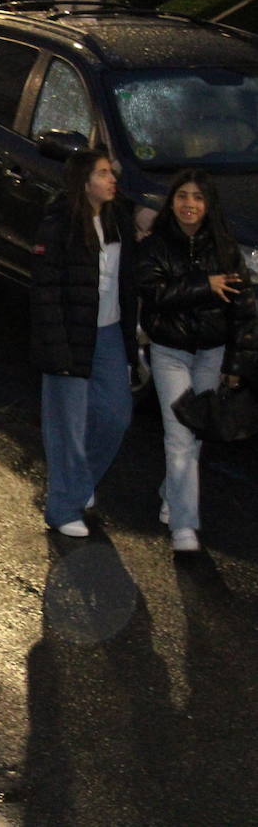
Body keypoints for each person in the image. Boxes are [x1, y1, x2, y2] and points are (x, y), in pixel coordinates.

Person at [136, 170, 254, 552]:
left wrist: (235, 367)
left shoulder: (224, 248)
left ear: (208, 205)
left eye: (198, 198)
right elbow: (153, 293)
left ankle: (174, 494)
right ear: (172, 202)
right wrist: (207, 284)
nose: (189, 204)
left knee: (195, 435)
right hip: (169, 352)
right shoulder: (156, 245)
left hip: (211, 353)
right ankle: (185, 528)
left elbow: (244, 310)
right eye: (183, 196)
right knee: (180, 435)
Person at [30, 149, 137, 538]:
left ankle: (79, 484)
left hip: (108, 332)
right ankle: (62, 507)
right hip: (70, 333)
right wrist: (55, 347)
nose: (112, 180)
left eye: (112, 173)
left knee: (115, 415)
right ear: (84, 181)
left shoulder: (117, 221)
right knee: (67, 427)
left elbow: (127, 283)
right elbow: (45, 290)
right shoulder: (59, 224)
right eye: (104, 173)